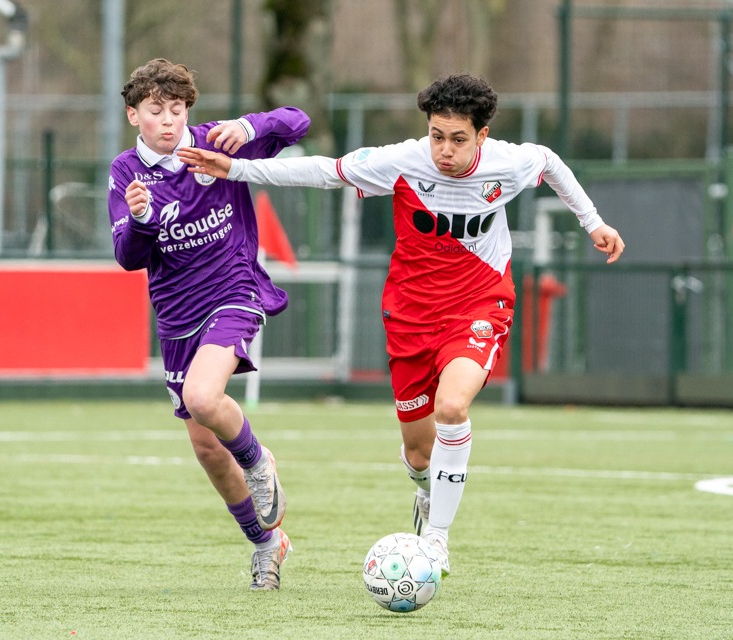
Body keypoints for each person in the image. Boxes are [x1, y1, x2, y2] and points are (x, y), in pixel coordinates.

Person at [178, 73, 625, 575]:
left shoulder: (508, 163)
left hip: (480, 301)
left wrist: (594, 222)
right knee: (418, 453)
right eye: (437, 136)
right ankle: (427, 489)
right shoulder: (403, 161)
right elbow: (323, 171)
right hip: (410, 314)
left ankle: (436, 539)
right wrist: (235, 169)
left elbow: (552, 162)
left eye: (458, 139)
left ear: (481, 136)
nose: (445, 150)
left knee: (452, 406)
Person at [108, 58, 310, 589]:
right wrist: (142, 221)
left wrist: (250, 126)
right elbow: (128, 258)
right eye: (156, 111)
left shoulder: (217, 144)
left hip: (233, 291)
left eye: (177, 109)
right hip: (176, 315)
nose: (170, 121)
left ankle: (259, 461)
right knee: (204, 448)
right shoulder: (126, 172)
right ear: (134, 116)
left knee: (203, 396)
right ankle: (267, 543)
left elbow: (299, 122)